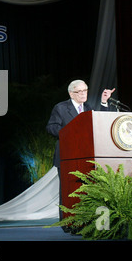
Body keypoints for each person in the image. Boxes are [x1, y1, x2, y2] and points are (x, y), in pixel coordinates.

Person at [46, 79, 115, 225]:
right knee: (68, 192)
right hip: (67, 157)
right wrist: (70, 133)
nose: (83, 94)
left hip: (86, 157)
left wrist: (104, 102)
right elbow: (51, 128)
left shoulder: (88, 107)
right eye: (80, 91)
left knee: (87, 191)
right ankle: (68, 223)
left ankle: (87, 222)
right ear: (72, 93)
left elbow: (99, 122)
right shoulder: (61, 108)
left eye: (85, 90)